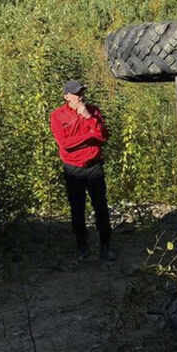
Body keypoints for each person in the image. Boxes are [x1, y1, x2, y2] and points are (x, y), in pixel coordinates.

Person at [50, 79, 114, 261]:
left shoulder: (92, 111)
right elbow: (65, 144)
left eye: (81, 93)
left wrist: (88, 117)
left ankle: (105, 247)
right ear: (66, 97)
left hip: (94, 166)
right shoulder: (58, 116)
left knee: (101, 207)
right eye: (76, 94)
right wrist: (89, 135)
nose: (80, 97)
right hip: (73, 169)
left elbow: (103, 136)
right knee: (77, 209)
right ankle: (82, 247)